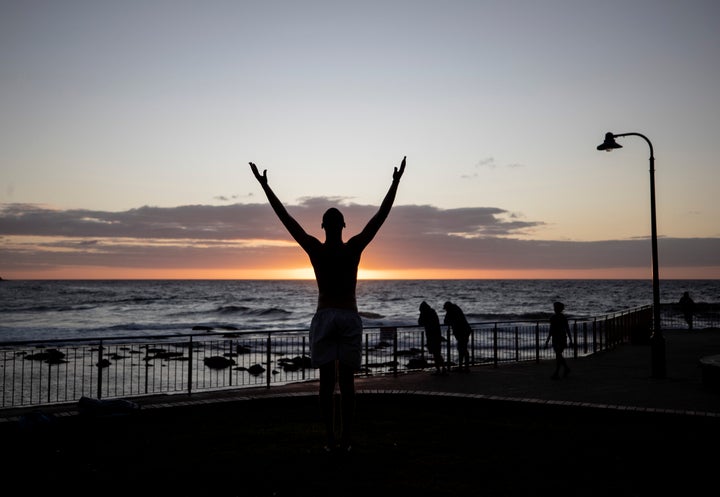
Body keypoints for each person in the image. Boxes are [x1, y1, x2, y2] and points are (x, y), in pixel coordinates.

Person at [250, 156, 406, 453]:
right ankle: (345, 439)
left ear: (323, 226)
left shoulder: (315, 249)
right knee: (347, 384)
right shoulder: (353, 248)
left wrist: (265, 187)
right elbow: (380, 217)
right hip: (347, 314)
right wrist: (395, 182)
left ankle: (331, 438)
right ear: (343, 226)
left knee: (326, 383)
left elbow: (287, 221)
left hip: (325, 315)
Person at [545, 301, 573, 379]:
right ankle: (564, 369)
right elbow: (567, 329)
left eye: (555, 307)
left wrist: (547, 341)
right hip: (562, 338)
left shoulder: (553, 318)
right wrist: (570, 340)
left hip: (557, 338)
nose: (554, 309)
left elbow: (551, 330)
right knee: (558, 355)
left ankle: (558, 372)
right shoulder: (563, 317)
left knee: (558, 355)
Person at [418, 301, 446, 375]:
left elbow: (420, 323)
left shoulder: (425, 314)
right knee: (437, 353)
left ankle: (440, 370)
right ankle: (442, 369)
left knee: (436, 353)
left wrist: (421, 314)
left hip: (431, 336)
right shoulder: (433, 312)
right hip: (437, 334)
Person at [442, 301, 471, 372]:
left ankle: (465, 367)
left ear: (448, 307)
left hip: (462, 332)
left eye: (446, 309)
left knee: (462, 349)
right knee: (462, 349)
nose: (446, 310)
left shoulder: (452, 311)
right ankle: (463, 367)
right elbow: (447, 321)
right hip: (464, 331)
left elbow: (446, 321)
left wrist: (451, 321)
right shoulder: (456, 309)